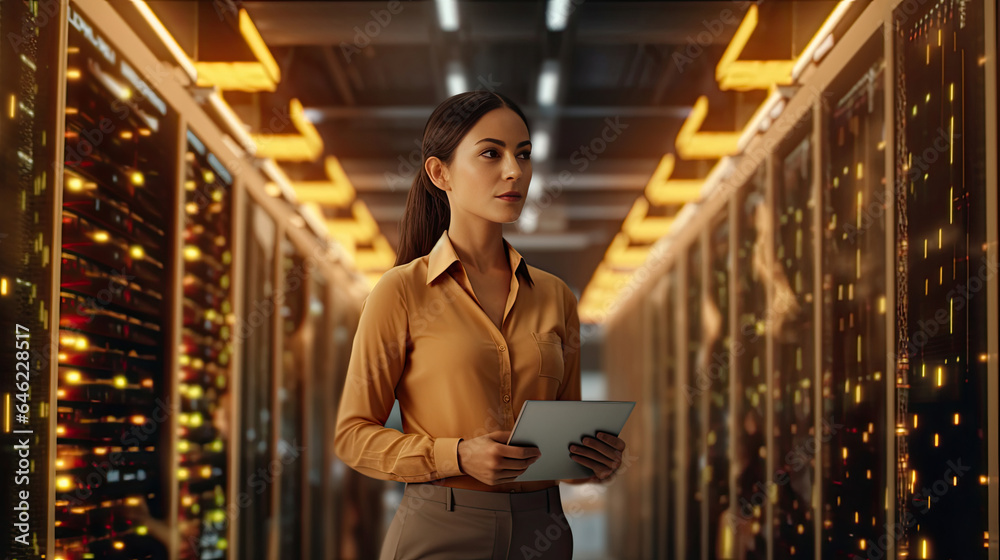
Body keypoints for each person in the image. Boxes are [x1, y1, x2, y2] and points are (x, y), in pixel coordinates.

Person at [333, 90, 627, 560]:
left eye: (523, 155)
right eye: (491, 153)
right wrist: (455, 455)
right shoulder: (401, 292)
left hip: (543, 531)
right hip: (440, 527)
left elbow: (563, 443)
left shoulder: (554, 296)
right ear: (439, 173)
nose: (514, 171)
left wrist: (590, 461)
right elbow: (351, 436)